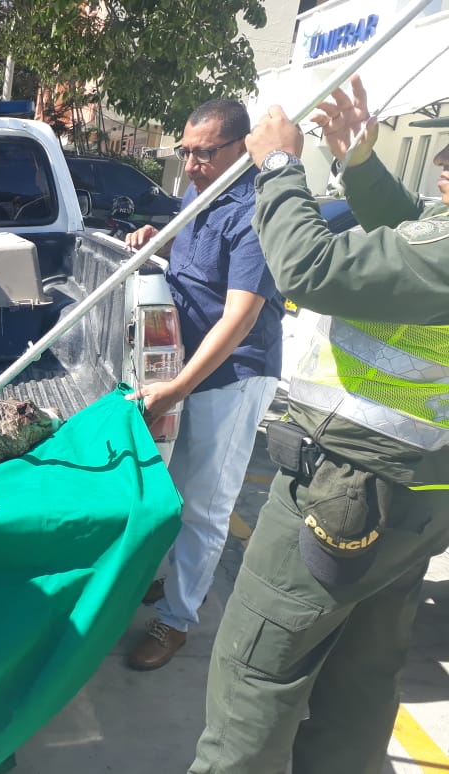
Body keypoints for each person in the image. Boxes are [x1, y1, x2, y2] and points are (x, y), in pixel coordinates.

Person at [189, 74, 449, 773]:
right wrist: (359, 161)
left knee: (258, 676)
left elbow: (308, 266)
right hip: (414, 500)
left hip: (346, 486)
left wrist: (278, 166)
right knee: (359, 687)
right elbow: (408, 226)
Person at [123, 100, 283, 670]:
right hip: (188, 368)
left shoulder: (258, 210)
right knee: (172, 486)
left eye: (203, 152)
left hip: (231, 375)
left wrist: (177, 389)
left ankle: (177, 619)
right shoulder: (200, 192)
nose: (191, 164)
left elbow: (238, 318)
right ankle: (168, 582)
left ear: (240, 145)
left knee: (206, 504)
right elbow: (192, 256)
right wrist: (157, 238)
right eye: (185, 151)